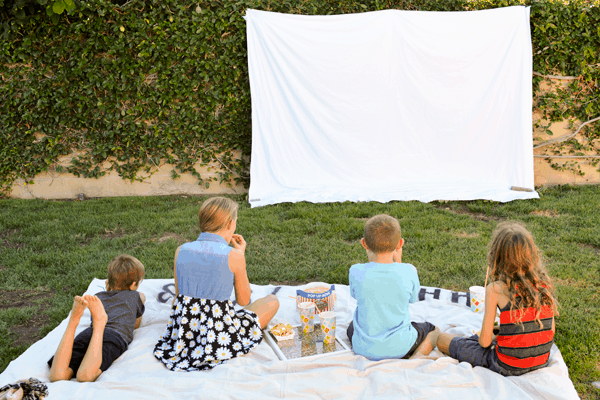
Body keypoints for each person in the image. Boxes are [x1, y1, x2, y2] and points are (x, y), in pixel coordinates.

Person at [154, 196, 279, 371]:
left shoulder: (180, 250)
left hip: (184, 334)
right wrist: (240, 255)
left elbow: (179, 295)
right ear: (229, 223)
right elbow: (244, 300)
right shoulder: (234, 255)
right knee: (272, 301)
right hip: (218, 337)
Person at [438, 221, 558, 376]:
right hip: (541, 361)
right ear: (531, 254)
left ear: (497, 257)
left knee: (442, 339)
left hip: (506, 366)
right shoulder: (544, 284)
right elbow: (551, 330)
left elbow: (485, 342)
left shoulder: (496, 289)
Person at [347, 214, 440, 361]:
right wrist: (400, 261)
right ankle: (418, 356)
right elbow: (413, 298)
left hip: (363, 348)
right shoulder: (408, 271)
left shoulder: (355, 271)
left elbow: (355, 294)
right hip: (400, 347)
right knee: (433, 330)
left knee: (352, 326)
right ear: (400, 244)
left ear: (364, 243)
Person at [48, 254, 146, 382]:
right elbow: (136, 324)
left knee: (58, 376)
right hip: (115, 336)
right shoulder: (136, 296)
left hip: (89, 333)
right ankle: (100, 322)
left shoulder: (98, 297)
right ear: (134, 285)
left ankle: (74, 321)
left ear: (108, 282)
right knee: (85, 376)